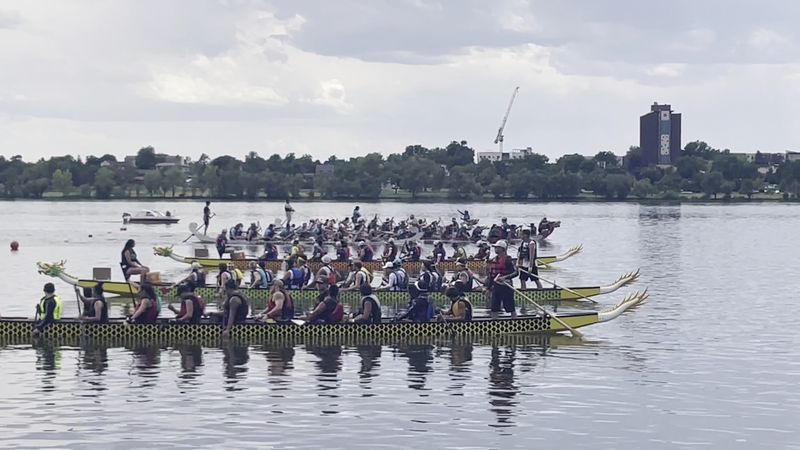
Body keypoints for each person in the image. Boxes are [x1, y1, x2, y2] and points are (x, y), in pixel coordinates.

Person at [488, 240, 519, 318]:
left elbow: (516, 273)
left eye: (497, 247)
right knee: (494, 308)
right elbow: (492, 276)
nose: (495, 249)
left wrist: (505, 277)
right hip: (496, 287)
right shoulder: (493, 260)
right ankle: (494, 324)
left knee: (511, 308)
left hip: (506, 287)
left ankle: (515, 323)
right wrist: (488, 288)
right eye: (495, 247)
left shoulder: (508, 260)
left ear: (502, 249)